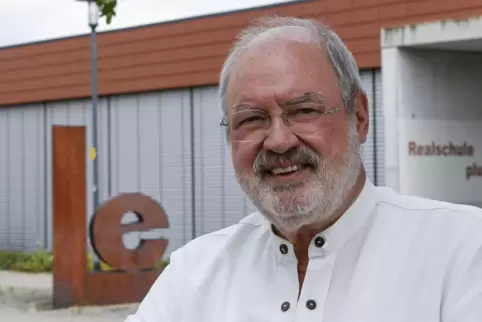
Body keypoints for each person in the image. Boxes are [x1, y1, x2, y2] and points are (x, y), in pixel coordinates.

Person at [125, 16, 482, 322]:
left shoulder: (461, 250)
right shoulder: (195, 273)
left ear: (359, 117)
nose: (278, 141)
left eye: (304, 111)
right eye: (251, 119)